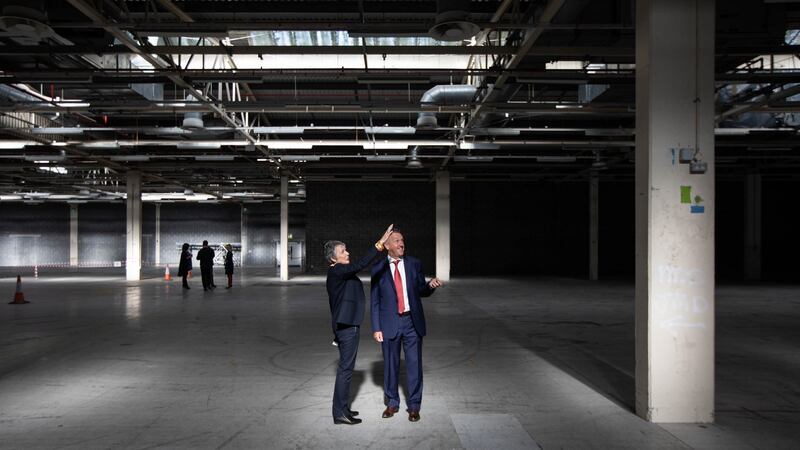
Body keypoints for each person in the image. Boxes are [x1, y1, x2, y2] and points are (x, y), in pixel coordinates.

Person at [371, 229, 442, 423]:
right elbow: (375, 300)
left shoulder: (414, 264)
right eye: (396, 241)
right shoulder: (378, 269)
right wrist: (376, 327)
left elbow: (421, 290)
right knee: (390, 366)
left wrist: (429, 286)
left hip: (412, 322)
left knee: (414, 366)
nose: (401, 243)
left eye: (402, 240)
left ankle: (414, 406)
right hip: (389, 323)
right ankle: (392, 403)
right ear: (387, 245)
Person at [326, 224, 394, 425]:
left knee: (347, 369)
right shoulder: (337, 270)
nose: (347, 253)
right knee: (346, 370)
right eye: (343, 251)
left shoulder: (339, 272)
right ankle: (339, 413)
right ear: (333, 258)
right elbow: (360, 264)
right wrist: (380, 244)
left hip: (348, 325)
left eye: (346, 249)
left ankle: (344, 408)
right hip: (346, 327)